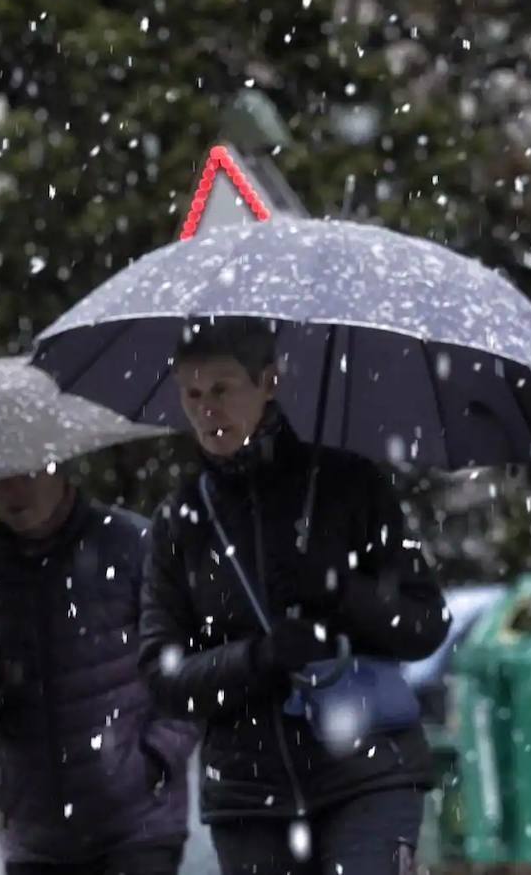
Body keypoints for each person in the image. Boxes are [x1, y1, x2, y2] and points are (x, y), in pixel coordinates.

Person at [139, 318, 451, 875]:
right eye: (192, 394)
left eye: (224, 389)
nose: (208, 409)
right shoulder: (179, 523)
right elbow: (164, 681)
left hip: (367, 773)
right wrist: (257, 659)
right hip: (248, 798)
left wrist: (342, 593)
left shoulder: (347, 484)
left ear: (269, 382)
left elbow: (425, 624)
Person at [0, 469, 198, 875]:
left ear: (55, 466)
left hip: (137, 829)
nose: (10, 491)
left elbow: (189, 668)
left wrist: (153, 760)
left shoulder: (131, 544)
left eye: (22, 474)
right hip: (37, 839)